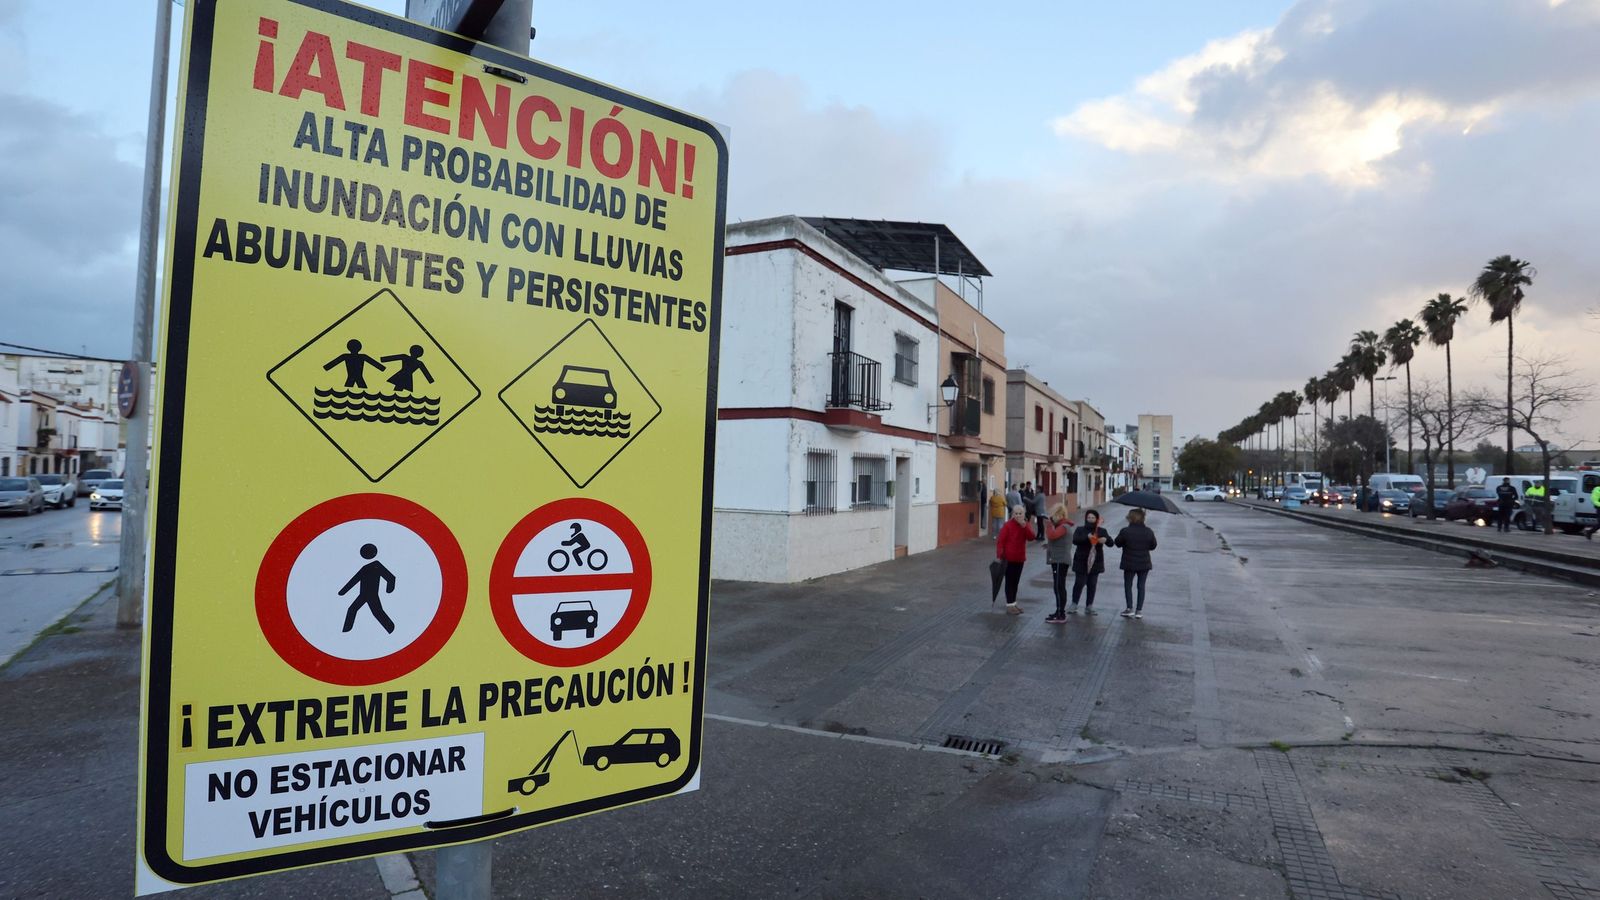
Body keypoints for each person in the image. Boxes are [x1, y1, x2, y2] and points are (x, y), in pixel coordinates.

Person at [1114, 508, 1158, 619]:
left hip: (1129, 563)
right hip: (1144, 563)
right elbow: (1153, 546)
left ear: (1130, 518)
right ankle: (1139, 611)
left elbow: (1117, 543)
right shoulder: (1148, 531)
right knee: (1141, 586)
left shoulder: (1125, 531)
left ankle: (1129, 608)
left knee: (1128, 585)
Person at [1067, 509, 1110, 616]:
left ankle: (1089, 605)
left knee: (1092, 583)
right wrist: (1087, 538)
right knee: (1079, 583)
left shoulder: (1101, 530)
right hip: (1081, 560)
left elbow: (1111, 542)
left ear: (1096, 519)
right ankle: (1074, 603)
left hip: (1096, 561)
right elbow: (1075, 540)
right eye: (1089, 518)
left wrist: (1105, 540)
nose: (1090, 520)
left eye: (1093, 518)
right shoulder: (1080, 529)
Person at [995, 504, 1031, 616]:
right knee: (1009, 582)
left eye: (1020, 513)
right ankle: (1009, 605)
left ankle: (1014, 603)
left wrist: (1024, 526)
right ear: (1012, 514)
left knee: (1015, 582)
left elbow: (1031, 537)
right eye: (1016, 513)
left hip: (1020, 558)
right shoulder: (1007, 526)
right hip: (1008, 559)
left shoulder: (1025, 525)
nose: (1018, 515)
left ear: (1024, 514)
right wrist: (1000, 555)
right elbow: (1001, 541)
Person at [1043, 504, 1076, 623]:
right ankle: (1059, 611)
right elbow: (1057, 540)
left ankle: (1061, 614)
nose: (1052, 517)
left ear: (1060, 515)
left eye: (1053, 515)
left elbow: (1052, 535)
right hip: (1059, 559)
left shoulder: (1063, 527)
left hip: (1060, 560)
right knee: (1059, 586)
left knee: (1058, 586)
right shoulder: (1062, 526)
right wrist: (1049, 546)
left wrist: (1048, 525)